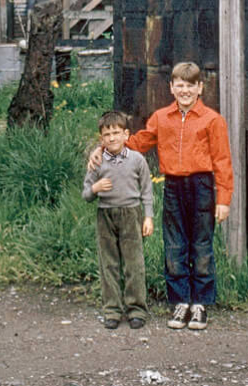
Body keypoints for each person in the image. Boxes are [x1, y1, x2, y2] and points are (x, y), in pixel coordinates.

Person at [89, 62, 233, 330]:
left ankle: (200, 303)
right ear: (171, 87)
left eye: (191, 85)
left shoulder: (213, 120)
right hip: (174, 186)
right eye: (180, 85)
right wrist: (104, 147)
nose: (185, 90)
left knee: (201, 245)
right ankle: (180, 301)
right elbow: (138, 142)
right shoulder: (161, 117)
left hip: (202, 186)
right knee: (175, 244)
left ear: (200, 87)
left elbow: (223, 161)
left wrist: (223, 199)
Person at [82, 110, 154, 330]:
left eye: (116, 133)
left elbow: (147, 190)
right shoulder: (97, 162)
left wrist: (148, 216)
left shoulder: (136, 159)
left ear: (126, 134)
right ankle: (112, 310)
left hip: (131, 214)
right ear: (101, 139)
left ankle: (136, 309)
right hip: (105, 214)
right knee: (109, 263)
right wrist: (95, 188)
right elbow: (85, 194)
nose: (112, 138)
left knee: (134, 264)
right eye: (107, 134)